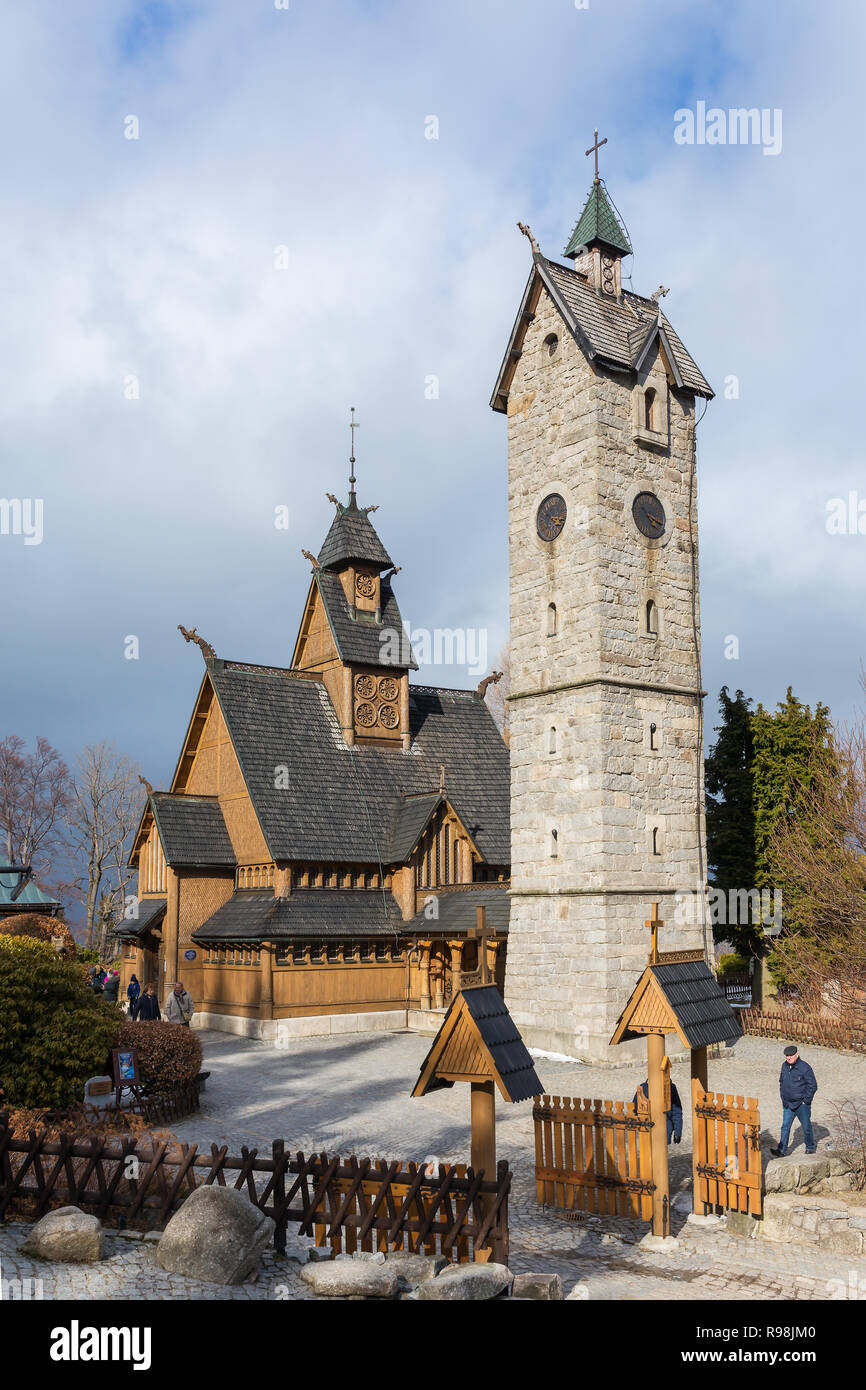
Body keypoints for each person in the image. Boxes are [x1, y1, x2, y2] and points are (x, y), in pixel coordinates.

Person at [770, 1045, 817, 1156]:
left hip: (802, 1105)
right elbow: (781, 1082)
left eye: (791, 1055)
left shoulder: (805, 1068)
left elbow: (813, 1085)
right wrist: (783, 1098)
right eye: (787, 1056)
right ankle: (781, 1150)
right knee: (785, 1127)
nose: (789, 1058)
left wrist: (806, 1101)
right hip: (788, 1104)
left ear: (797, 1054)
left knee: (806, 1127)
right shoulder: (784, 1066)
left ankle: (810, 1147)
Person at [634, 1078, 683, 1144]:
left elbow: (677, 1111)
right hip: (647, 1129)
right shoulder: (643, 1088)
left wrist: (678, 1132)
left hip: (665, 1129)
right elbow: (634, 1108)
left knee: (662, 1153)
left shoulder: (671, 1087)